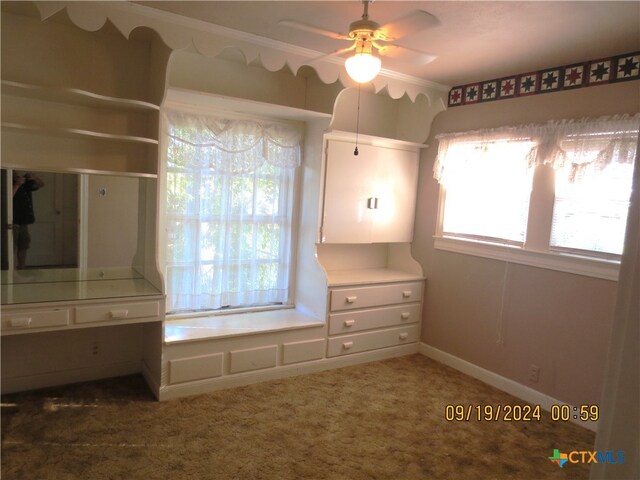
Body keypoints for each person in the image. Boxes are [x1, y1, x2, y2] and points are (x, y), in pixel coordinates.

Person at [12, 171, 44, 269]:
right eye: (14, 172)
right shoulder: (5, 181)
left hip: (24, 221)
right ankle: (11, 272)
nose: (17, 173)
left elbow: (41, 185)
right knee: (11, 248)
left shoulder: (25, 182)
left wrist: (34, 177)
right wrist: (17, 184)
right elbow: (6, 198)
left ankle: (21, 269)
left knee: (23, 246)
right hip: (11, 221)